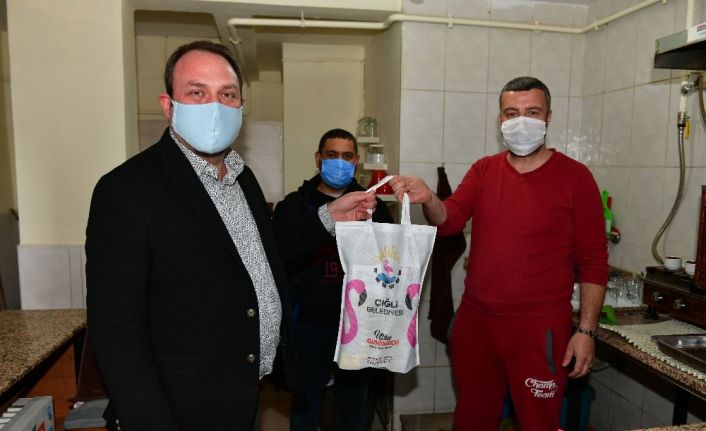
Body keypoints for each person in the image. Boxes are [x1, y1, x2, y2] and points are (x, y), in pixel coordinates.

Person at [85, 41, 377, 431]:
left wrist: (327, 217)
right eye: (196, 92)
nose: (215, 106)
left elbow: (262, 254)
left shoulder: (243, 178)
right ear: (169, 106)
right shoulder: (127, 190)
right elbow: (115, 334)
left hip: (241, 393)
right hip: (178, 408)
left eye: (227, 94)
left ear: (240, 106)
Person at [389, 76, 608, 431]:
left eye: (532, 112)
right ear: (500, 119)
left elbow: (594, 260)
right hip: (477, 323)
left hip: (539, 328)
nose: (521, 121)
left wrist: (586, 331)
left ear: (548, 117)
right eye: (511, 113)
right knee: (472, 420)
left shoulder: (576, 178)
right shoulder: (484, 170)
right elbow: (450, 221)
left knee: (539, 423)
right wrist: (429, 199)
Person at [272, 128, 393, 431]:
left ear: (356, 161)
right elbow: (279, 253)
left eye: (347, 156)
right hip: (308, 325)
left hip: (358, 325)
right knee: (305, 408)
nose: (340, 162)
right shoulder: (295, 206)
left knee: (355, 408)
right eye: (332, 155)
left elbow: (392, 259)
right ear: (318, 158)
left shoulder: (374, 206)